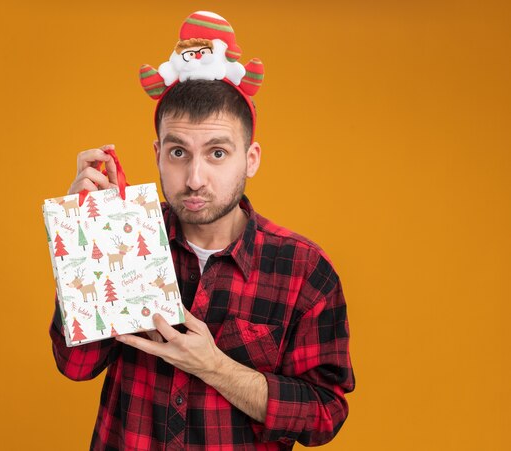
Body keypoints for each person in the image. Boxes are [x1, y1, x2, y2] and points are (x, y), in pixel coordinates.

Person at [49, 11, 354, 450]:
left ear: (250, 158)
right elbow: (75, 366)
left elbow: (324, 416)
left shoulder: (305, 271)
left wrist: (214, 366)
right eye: (178, 152)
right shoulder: (126, 235)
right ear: (157, 153)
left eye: (216, 153)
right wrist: (86, 239)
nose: (194, 178)